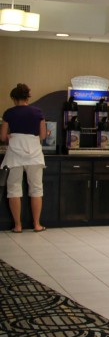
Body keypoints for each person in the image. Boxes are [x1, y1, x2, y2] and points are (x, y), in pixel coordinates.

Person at [1, 83, 47, 232]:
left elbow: (2, 137)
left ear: (14, 98)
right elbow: (43, 135)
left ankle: (18, 226)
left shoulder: (8, 113)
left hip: (14, 154)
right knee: (36, 189)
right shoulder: (38, 112)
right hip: (34, 154)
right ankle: (37, 224)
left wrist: (11, 137)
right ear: (28, 97)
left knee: (14, 189)